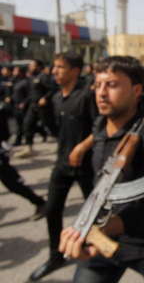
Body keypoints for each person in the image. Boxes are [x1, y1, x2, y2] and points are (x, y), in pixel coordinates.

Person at [59, 56, 144, 283]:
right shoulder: (101, 125)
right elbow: (100, 139)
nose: (101, 92)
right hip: (103, 242)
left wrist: (93, 229)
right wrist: (82, 147)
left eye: (112, 85)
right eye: (98, 85)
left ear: (136, 90)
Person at [30, 52, 97, 281]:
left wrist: (81, 148)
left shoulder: (87, 95)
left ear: (75, 71)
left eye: (60, 67)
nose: (54, 71)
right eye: (54, 67)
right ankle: (56, 255)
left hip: (86, 165)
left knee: (95, 212)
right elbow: (54, 130)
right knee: (52, 209)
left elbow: (100, 127)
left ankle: (100, 254)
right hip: (62, 164)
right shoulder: (56, 97)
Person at [15, 59, 57, 158]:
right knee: (27, 124)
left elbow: (52, 89)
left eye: (32, 65)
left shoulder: (43, 77)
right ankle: (28, 147)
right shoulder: (32, 78)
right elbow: (31, 94)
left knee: (50, 125)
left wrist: (45, 98)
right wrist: (25, 103)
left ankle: (62, 142)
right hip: (33, 105)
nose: (30, 67)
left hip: (43, 107)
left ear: (38, 66)